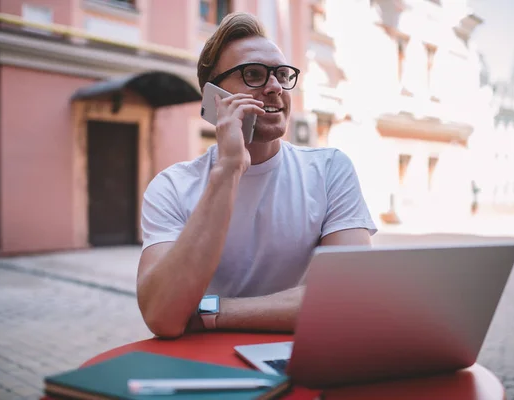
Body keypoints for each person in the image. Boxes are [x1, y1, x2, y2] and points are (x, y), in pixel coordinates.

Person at [136, 12, 377, 338]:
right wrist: (228, 169)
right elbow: (162, 316)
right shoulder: (172, 187)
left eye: (281, 74)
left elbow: (350, 298)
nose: (275, 87)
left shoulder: (329, 170)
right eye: (254, 74)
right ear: (214, 98)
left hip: (301, 357)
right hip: (203, 368)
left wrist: (213, 310)